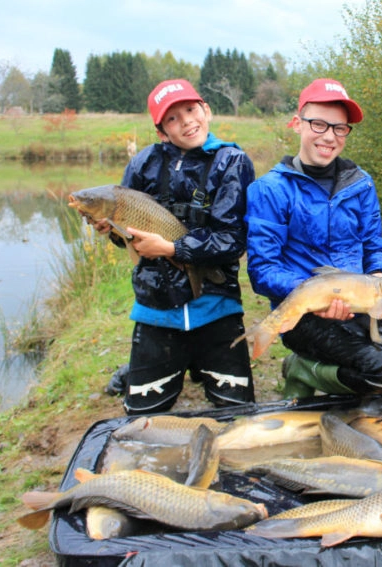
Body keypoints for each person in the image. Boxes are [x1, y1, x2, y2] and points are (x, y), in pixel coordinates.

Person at [245, 78, 382, 398]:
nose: (329, 136)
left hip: (358, 307)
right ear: (296, 124)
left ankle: (335, 374)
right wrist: (317, 296)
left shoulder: (361, 184)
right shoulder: (270, 189)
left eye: (340, 128)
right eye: (319, 124)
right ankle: (304, 369)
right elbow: (262, 272)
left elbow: (374, 246)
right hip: (304, 314)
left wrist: (378, 274)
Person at [85, 79, 256, 414]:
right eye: (173, 118)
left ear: (205, 110)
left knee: (238, 414)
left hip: (217, 306)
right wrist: (112, 231)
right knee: (141, 418)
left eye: (190, 110)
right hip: (156, 310)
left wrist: (173, 249)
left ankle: (198, 365)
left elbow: (233, 240)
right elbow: (127, 239)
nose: (186, 121)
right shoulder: (142, 164)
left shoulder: (232, 161)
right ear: (161, 131)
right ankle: (161, 368)